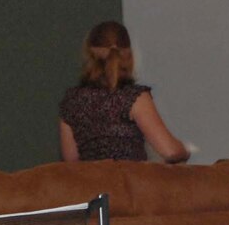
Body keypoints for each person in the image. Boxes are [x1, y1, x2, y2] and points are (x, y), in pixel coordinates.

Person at [58, 21, 188, 164]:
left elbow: (71, 159)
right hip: (129, 178)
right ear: (129, 54)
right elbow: (170, 151)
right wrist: (184, 150)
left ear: (89, 53)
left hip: (92, 178)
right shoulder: (134, 97)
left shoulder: (72, 101)